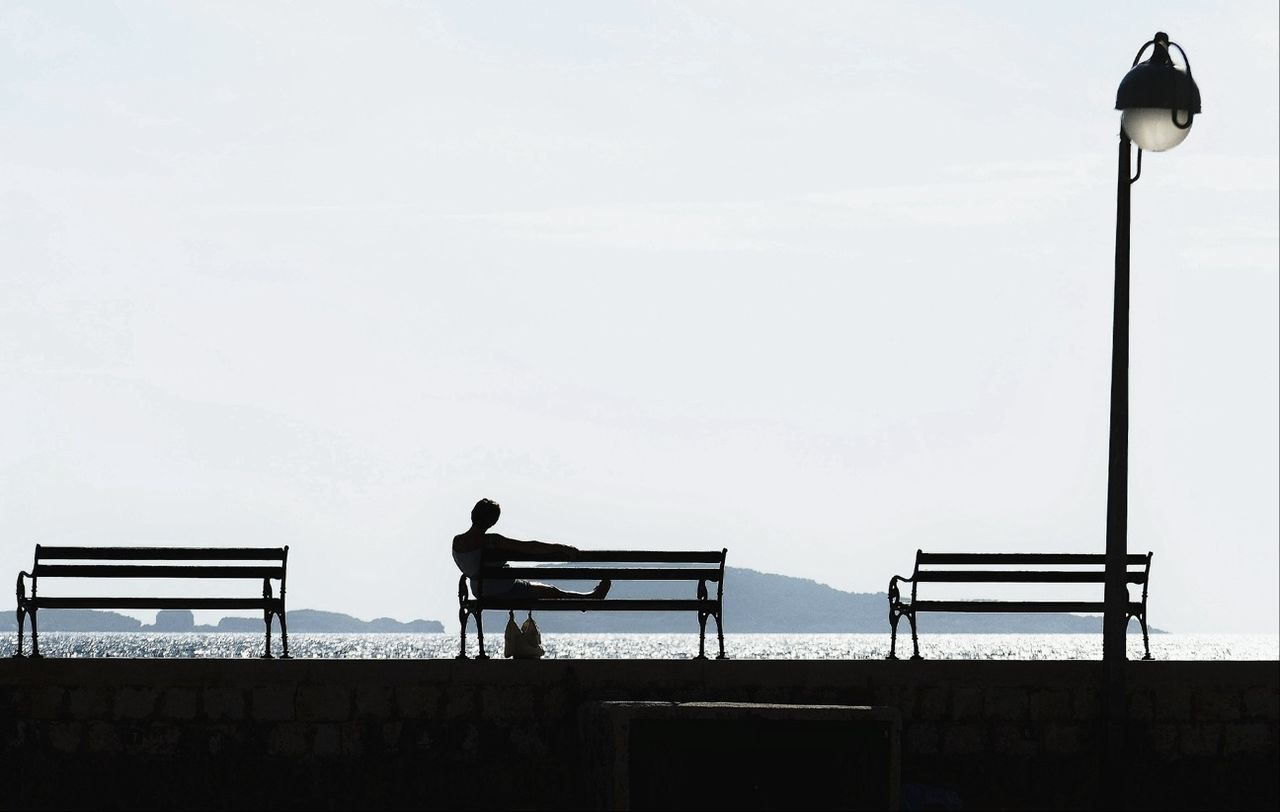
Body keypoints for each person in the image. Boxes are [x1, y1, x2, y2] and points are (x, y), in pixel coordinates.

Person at [453, 498, 610, 599]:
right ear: (492, 521)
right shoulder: (491, 541)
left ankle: (587, 598)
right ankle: (587, 598)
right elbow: (530, 547)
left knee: (546, 590)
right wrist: (560, 547)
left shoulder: (457, 542)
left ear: (472, 514)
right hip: (502, 589)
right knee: (552, 591)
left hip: (478, 591)